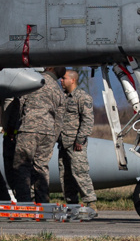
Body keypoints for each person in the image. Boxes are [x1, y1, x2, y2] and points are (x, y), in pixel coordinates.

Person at [12, 68, 64, 203]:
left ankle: (24, 205)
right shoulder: (58, 90)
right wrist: (53, 136)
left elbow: (20, 104)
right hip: (48, 132)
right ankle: (43, 204)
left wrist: (15, 127)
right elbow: (59, 117)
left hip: (29, 129)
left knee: (22, 166)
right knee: (41, 168)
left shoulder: (33, 81)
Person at [57, 69, 98, 207]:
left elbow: (88, 120)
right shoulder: (62, 97)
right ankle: (71, 204)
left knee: (80, 173)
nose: (61, 81)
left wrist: (80, 139)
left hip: (76, 144)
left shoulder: (82, 97)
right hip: (63, 142)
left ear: (72, 80)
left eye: (64, 78)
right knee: (65, 176)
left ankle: (91, 203)